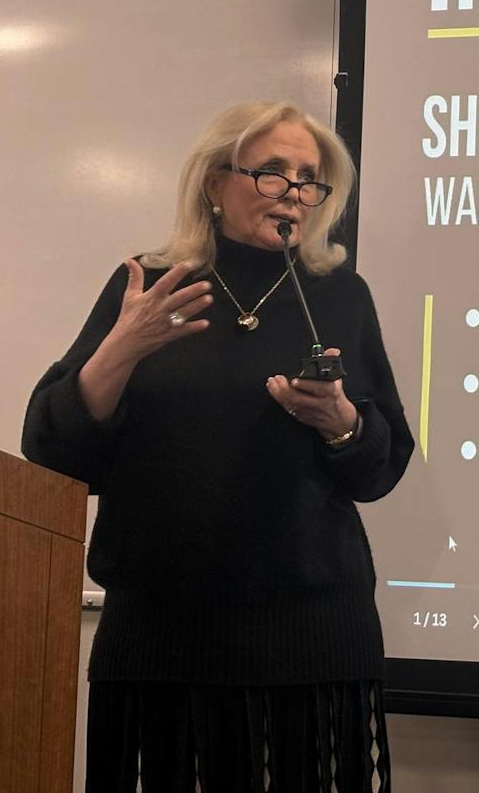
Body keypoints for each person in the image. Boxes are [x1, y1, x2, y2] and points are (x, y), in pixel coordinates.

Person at [22, 101, 413, 792]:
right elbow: (53, 448)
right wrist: (120, 350)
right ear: (214, 182)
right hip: (160, 637)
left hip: (309, 636)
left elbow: (380, 467)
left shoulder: (339, 296)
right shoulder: (150, 286)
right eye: (272, 171)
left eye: (309, 179)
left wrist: (341, 422)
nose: (293, 192)